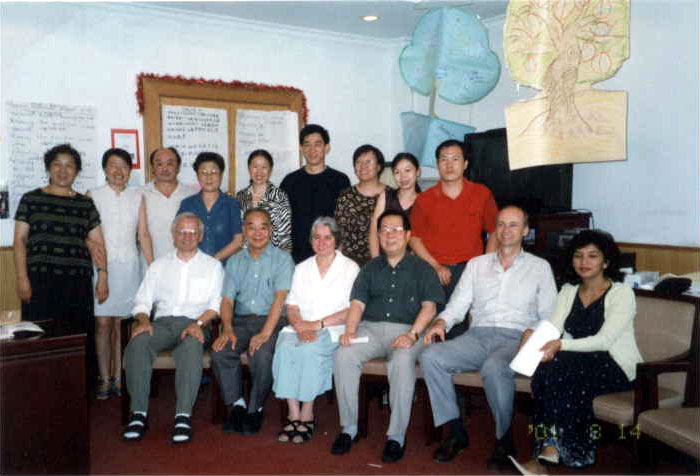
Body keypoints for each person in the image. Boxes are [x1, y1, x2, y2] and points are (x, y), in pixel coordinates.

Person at [419, 205, 557, 471]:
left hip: (516, 338)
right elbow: (458, 305)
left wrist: (533, 332)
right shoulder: (476, 264)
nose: (506, 230)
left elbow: (550, 315)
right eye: (501, 224)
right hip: (478, 336)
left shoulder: (540, 268)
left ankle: (504, 440)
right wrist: (440, 323)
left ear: (526, 231)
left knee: (494, 367)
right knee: (431, 355)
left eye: (514, 225)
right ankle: (456, 431)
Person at [511, 229, 643, 475]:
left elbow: (605, 340)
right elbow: (554, 327)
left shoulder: (621, 293)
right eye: (578, 256)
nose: (584, 262)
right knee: (547, 370)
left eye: (592, 256)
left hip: (616, 367)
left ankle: (559, 452)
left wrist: (560, 345)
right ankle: (548, 451)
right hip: (580, 361)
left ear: (606, 261)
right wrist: (532, 334)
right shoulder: (569, 291)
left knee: (559, 370)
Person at [331, 210, 444, 463]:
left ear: (407, 235)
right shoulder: (370, 268)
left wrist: (413, 334)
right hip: (370, 330)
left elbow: (430, 307)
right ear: (378, 235)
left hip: (408, 331)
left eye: (395, 229)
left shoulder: (422, 268)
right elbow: (357, 304)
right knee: (343, 355)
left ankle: (396, 437)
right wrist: (349, 332)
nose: (389, 235)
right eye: (384, 230)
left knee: (402, 361)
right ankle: (348, 429)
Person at [122, 212, 224, 444]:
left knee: (191, 346)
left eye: (192, 232)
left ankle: (183, 416)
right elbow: (142, 301)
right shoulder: (158, 265)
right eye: (182, 232)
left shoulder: (212, 266)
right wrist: (143, 319)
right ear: (173, 235)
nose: (187, 237)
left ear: (200, 236)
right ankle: (138, 413)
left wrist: (198, 323)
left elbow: (216, 305)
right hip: (162, 324)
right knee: (138, 343)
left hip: (197, 323)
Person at [272, 217, 360, 444]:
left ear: (336, 240)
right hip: (300, 326)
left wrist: (317, 325)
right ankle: (293, 412)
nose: (322, 242)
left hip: (332, 329)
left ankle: (307, 414)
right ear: (311, 240)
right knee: (284, 348)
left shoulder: (350, 268)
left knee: (309, 350)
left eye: (327, 237)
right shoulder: (302, 267)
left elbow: (353, 308)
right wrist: (300, 325)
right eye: (317, 237)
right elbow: (291, 305)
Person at [211, 208, 295, 436]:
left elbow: (280, 300)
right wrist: (226, 329)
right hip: (240, 322)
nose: (257, 233)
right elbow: (227, 300)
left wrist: (266, 333)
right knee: (220, 351)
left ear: (271, 230)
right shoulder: (235, 261)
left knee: (262, 353)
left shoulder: (283, 259)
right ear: (244, 230)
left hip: (272, 321)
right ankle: (237, 404)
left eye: (263, 227)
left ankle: (255, 408)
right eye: (251, 226)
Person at [14, 143, 108, 336]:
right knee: (38, 337)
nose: (63, 171)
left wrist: (103, 276)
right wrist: (22, 278)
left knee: (77, 340)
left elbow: (98, 244)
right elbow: (20, 241)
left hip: (77, 283)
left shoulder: (85, 203)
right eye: (57, 164)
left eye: (70, 165)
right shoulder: (30, 199)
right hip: (39, 280)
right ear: (48, 167)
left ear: (77, 171)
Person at [410, 139, 499, 335]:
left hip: (470, 269)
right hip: (434, 270)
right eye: (444, 159)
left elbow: (494, 231)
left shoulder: (481, 193)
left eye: (455, 159)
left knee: (468, 328)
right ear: (437, 164)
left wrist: (484, 265)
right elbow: (414, 238)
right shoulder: (424, 199)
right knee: (434, 328)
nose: (449, 165)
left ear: (466, 164)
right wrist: (435, 265)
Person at [88, 148, 154, 400]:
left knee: (121, 323)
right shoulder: (92, 195)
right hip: (101, 267)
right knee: (103, 322)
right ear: (105, 170)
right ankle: (104, 377)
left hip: (129, 266)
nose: (118, 171)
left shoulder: (138, 196)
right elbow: (90, 238)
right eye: (113, 166)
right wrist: (101, 270)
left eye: (124, 167)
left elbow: (143, 235)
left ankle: (118, 377)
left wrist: (153, 267)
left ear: (130, 171)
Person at [281, 124, 350, 263]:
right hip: (297, 256)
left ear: (327, 148)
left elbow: (345, 222)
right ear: (301, 149)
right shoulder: (290, 182)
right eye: (307, 145)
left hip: (331, 254)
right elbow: (282, 223)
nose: (312, 150)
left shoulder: (340, 180)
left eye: (317, 144)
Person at [178, 152, 243, 264]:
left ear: (221, 175)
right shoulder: (187, 204)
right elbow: (178, 236)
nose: (209, 177)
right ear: (197, 176)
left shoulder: (232, 204)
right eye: (203, 173)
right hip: (192, 266)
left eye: (213, 172)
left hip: (224, 268)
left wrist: (213, 261)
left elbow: (238, 240)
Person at [334, 144, 386, 266]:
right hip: (350, 263)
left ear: (378, 166)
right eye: (358, 162)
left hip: (384, 261)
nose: (363, 166)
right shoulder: (346, 196)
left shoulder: (391, 195)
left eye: (368, 162)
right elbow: (339, 233)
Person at [142, 147, 196, 260]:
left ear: (178, 168)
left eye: (170, 163)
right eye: (159, 164)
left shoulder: (191, 195)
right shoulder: (140, 194)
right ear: (153, 168)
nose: (164, 168)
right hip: (150, 264)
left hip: (184, 263)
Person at [236, 149, 293, 253]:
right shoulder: (240, 196)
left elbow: (285, 238)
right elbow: (238, 234)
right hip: (246, 258)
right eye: (255, 167)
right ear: (249, 168)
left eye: (264, 167)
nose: (259, 172)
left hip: (273, 258)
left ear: (270, 170)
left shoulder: (280, 196)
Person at [369, 152, 421, 258]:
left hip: (413, 261)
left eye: (407, 170)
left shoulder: (424, 200)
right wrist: (375, 261)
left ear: (418, 172)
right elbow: (374, 230)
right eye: (397, 172)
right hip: (384, 258)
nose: (403, 177)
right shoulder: (386, 196)